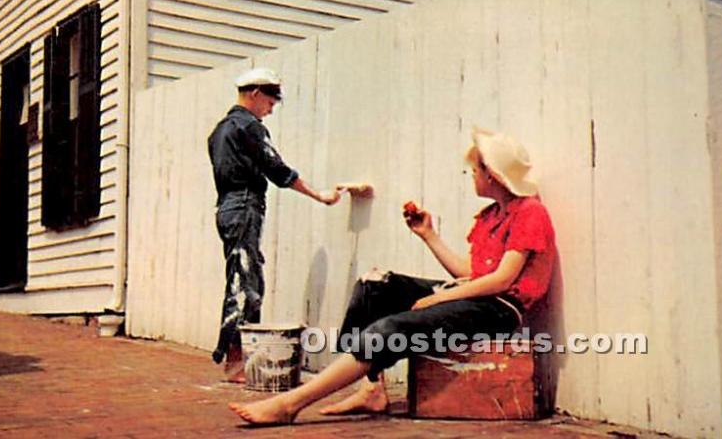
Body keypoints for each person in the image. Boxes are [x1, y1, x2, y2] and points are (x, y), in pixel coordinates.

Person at [228, 129, 557, 424]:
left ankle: (291, 403)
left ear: (494, 175)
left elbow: (501, 280)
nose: (472, 174)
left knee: (391, 329)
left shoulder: (530, 212)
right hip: (476, 294)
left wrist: (440, 297)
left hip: (499, 309)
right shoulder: (491, 215)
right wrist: (429, 235)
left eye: (477, 169)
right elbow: (472, 274)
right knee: (375, 285)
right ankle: (371, 389)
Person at [208, 67, 342, 382]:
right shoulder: (249, 126)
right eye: (270, 100)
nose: (271, 108)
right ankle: (237, 363)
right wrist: (318, 195)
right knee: (247, 283)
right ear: (255, 93)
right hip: (244, 205)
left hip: (226, 206)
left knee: (240, 278)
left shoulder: (219, 130)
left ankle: (232, 358)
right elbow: (276, 169)